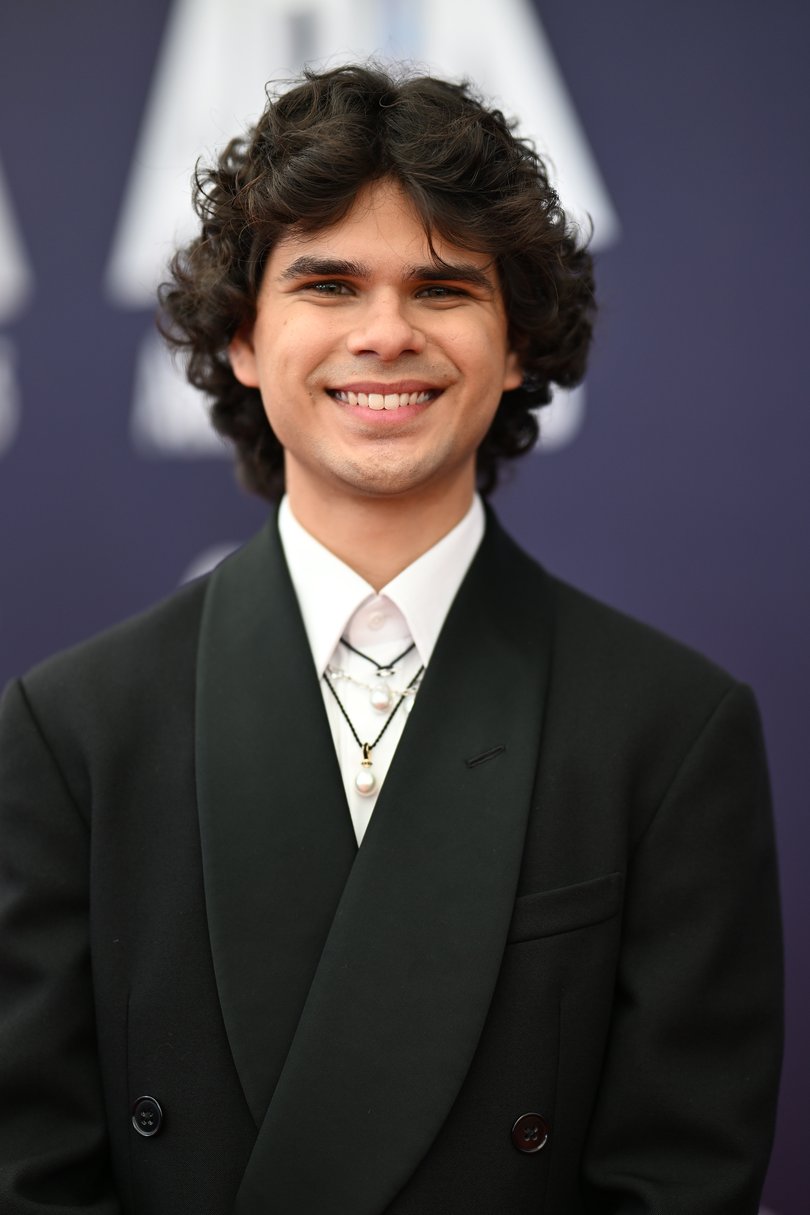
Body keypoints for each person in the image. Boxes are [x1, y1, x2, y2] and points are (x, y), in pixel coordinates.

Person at [0, 63, 782, 1215]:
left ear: (516, 347)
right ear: (242, 337)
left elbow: (683, 1175)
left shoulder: (669, 733)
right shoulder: (74, 732)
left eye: (442, 287)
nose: (385, 334)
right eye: (328, 283)